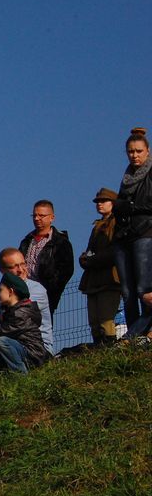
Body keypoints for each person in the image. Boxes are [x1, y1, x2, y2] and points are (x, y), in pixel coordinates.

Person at [113, 127, 152, 339]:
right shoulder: (127, 176)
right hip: (124, 235)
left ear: (147, 151)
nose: (134, 155)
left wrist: (128, 206)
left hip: (145, 232)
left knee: (143, 289)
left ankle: (140, 332)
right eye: (130, 151)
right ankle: (133, 331)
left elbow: (145, 203)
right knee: (127, 292)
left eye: (138, 151)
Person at [78, 188, 122, 345]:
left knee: (106, 319)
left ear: (113, 203)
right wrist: (85, 258)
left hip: (110, 277)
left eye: (104, 201)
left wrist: (92, 259)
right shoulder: (98, 225)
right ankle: (100, 349)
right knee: (94, 321)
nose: (99, 204)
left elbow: (115, 250)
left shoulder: (117, 222)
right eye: (98, 202)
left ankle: (108, 349)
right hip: (94, 278)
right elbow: (92, 250)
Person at [18, 199, 74, 316]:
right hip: (24, 292)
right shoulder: (27, 240)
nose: (37, 218)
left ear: (52, 217)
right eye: (34, 215)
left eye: (41, 215)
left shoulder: (60, 242)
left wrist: (51, 289)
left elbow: (66, 270)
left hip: (45, 295)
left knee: (42, 329)